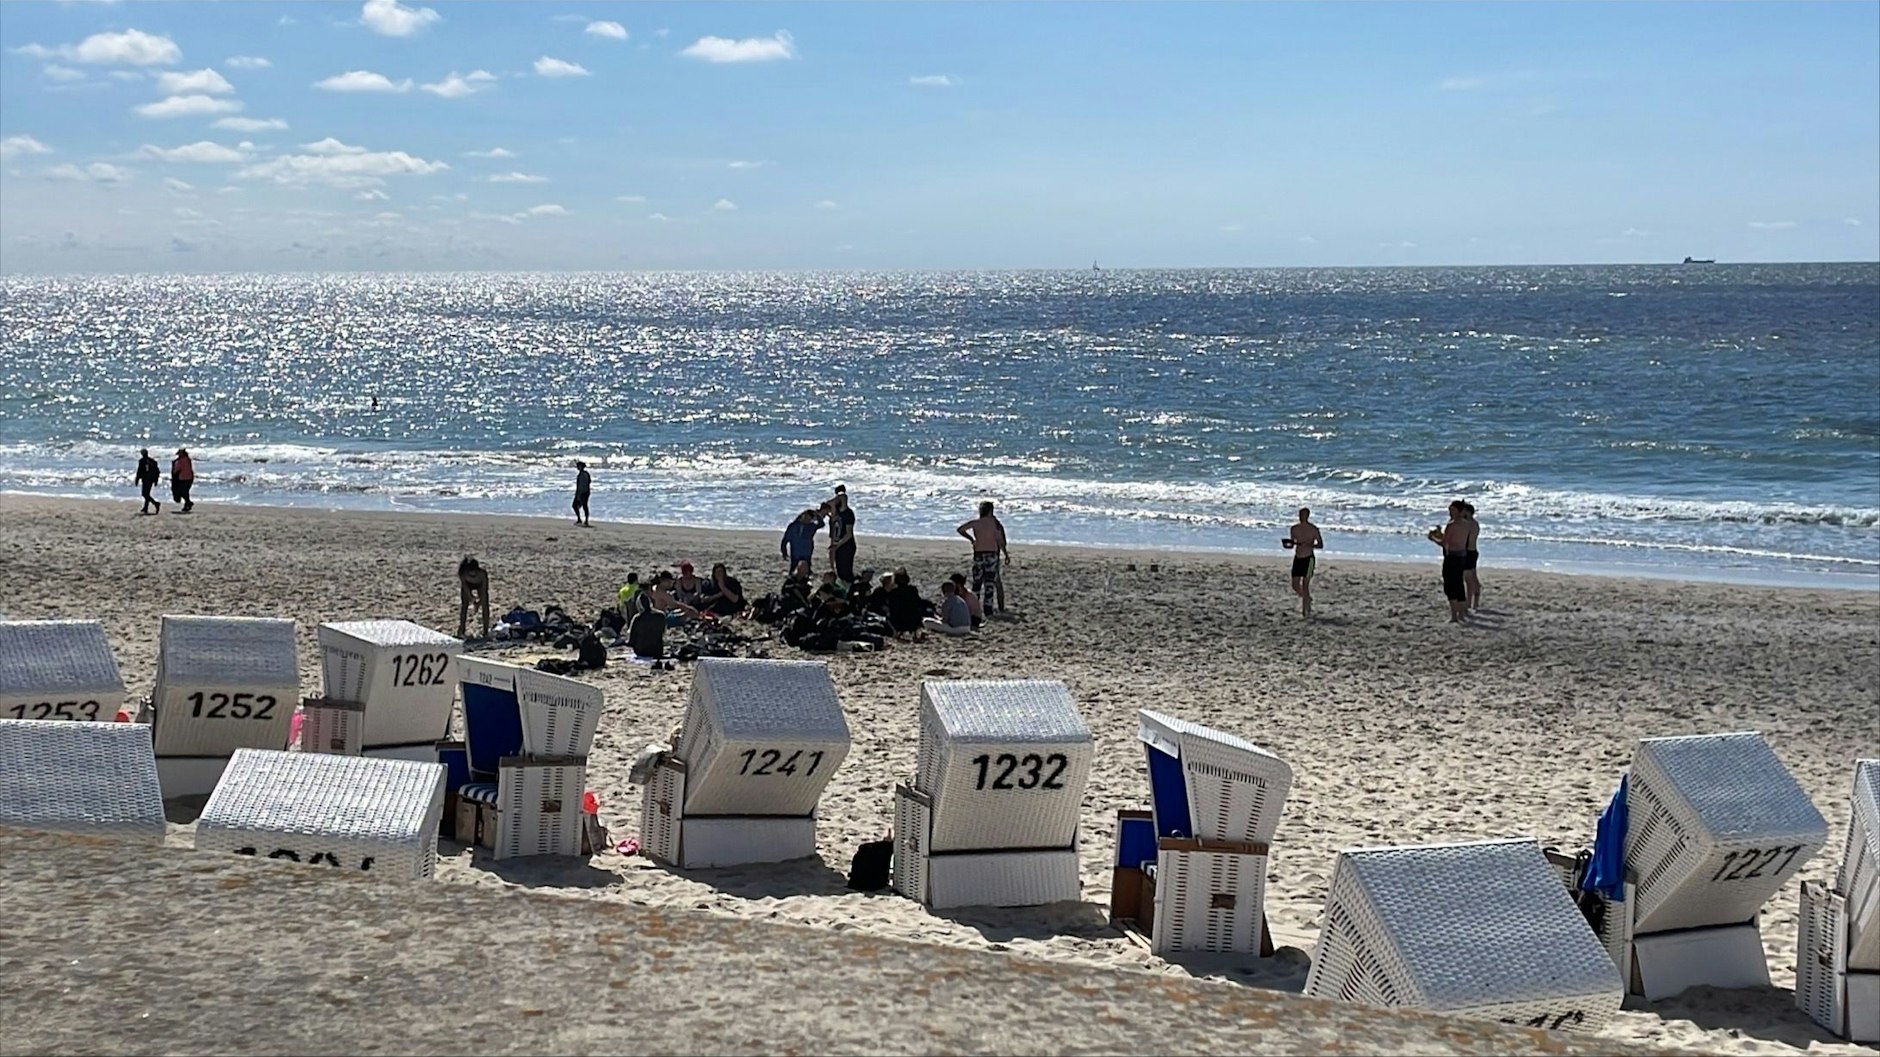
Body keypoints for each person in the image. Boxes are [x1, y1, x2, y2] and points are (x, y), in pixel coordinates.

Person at [956, 500, 1012, 613]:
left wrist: (972, 539)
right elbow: (1000, 541)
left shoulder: (976, 523)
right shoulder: (994, 523)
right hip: (991, 554)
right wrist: (1006, 554)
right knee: (989, 583)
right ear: (991, 511)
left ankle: (974, 606)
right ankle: (988, 608)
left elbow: (960, 529)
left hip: (979, 554)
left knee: (977, 581)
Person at [1430, 501, 1472, 624]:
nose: (1450, 513)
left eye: (1452, 510)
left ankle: (1454, 615)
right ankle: (1462, 614)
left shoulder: (1452, 525)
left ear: (1458, 511)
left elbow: (1445, 542)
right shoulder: (1466, 524)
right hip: (1462, 555)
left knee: (1450, 586)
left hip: (1452, 556)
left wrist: (1433, 538)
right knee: (1459, 584)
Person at [1282, 506, 1324, 618]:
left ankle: (1305, 612)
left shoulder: (1313, 529)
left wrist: (1310, 544)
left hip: (1309, 558)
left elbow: (1320, 544)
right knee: (1295, 584)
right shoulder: (1294, 528)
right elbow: (1292, 544)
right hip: (1298, 557)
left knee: (1306, 585)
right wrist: (1288, 544)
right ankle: (1307, 598)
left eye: (1303, 515)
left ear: (1307, 516)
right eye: (1300, 515)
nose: (1301, 517)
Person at [884, 569, 928, 639]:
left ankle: (898, 632)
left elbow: (892, 608)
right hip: (914, 620)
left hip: (899, 621)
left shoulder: (894, 593)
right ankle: (915, 633)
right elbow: (918, 603)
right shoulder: (913, 590)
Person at [827, 485, 857, 583]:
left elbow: (849, 534)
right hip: (837, 545)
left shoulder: (847, 513)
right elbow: (832, 536)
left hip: (846, 545)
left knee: (846, 571)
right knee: (840, 571)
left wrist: (838, 545)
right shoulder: (833, 518)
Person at [457, 556, 491, 640]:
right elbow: (465, 587)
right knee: (464, 605)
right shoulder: (463, 574)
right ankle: (462, 629)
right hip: (468, 586)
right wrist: (471, 598)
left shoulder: (483, 574)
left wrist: (478, 603)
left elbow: (484, 590)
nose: (472, 575)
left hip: (480, 585)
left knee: (485, 605)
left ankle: (485, 631)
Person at [782, 508, 821, 573]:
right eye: (805, 517)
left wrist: (817, 515)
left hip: (806, 552)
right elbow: (785, 540)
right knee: (794, 569)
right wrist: (784, 552)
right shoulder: (793, 526)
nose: (807, 519)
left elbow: (821, 524)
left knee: (806, 569)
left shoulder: (811, 526)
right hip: (795, 553)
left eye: (809, 519)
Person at [1461, 502, 1483, 611]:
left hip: (1468, 552)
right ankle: (1475, 603)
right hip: (1473, 551)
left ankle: (1469, 603)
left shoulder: (1468, 524)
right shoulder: (1474, 523)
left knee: (1468, 579)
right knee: (1473, 578)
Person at [134, 448, 161, 515]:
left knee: (145, 494)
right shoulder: (152, 461)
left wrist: (137, 479)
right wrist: (156, 480)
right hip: (151, 479)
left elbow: (139, 471)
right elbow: (157, 472)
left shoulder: (142, 461)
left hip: (146, 479)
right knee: (147, 494)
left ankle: (155, 503)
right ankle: (145, 507)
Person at [169, 448, 196, 513]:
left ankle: (188, 502)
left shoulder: (181, 461)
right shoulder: (188, 459)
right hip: (190, 477)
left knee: (182, 492)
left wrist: (173, 465)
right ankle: (187, 504)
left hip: (183, 478)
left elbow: (176, 470)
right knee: (185, 492)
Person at [572, 461, 592, 526]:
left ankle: (582, 519)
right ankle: (583, 520)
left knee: (579, 506)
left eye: (578, 466)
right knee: (583, 506)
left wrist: (578, 495)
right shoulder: (586, 474)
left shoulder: (581, 475)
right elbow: (589, 482)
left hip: (583, 493)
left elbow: (581, 486)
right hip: (586, 492)